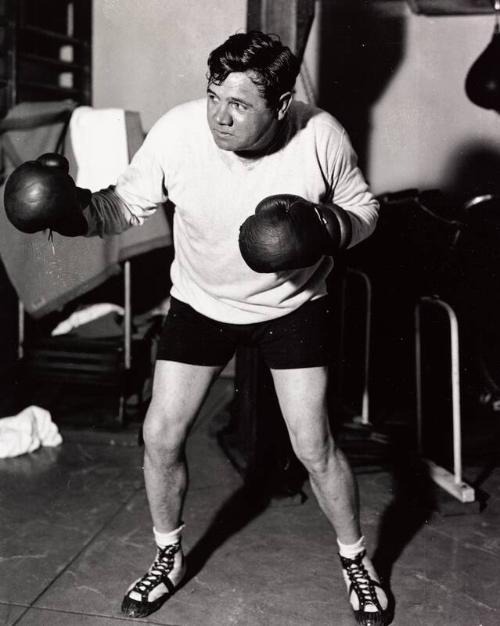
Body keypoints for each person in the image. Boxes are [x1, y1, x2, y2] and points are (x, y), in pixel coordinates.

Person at [4, 31, 389, 626]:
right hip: (201, 301)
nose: (220, 115)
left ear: (282, 106)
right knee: (159, 435)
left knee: (313, 446)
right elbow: (122, 206)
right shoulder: (179, 132)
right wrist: (68, 209)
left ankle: (355, 560)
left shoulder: (321, 135)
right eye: (214, 95)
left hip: (292, 305)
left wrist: (326, 224)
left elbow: (366, 210)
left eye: (240, 104)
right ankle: (167, 556)